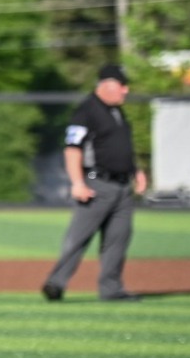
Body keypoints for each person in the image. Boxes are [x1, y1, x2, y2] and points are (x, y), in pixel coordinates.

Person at [42, 64, 146, 302]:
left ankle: (111, 289)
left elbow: (119, 148)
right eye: (122, 86)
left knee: (118, 239)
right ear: (107, 85)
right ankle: (55, 283)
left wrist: (136, 171)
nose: (126, 91)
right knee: (79, 236)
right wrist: (77, 182)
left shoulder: (117, 111)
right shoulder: (86, 111)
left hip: (122, 186)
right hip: (95, 183)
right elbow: (72, 150)